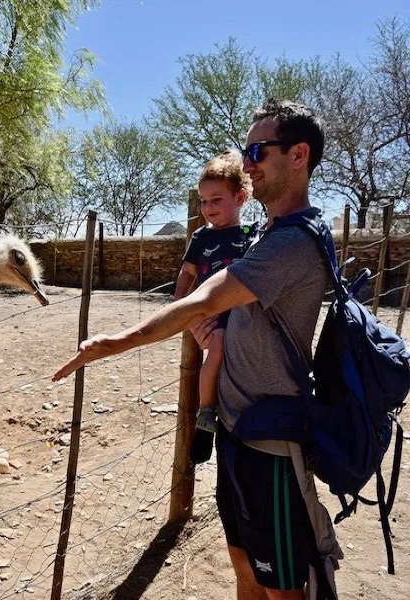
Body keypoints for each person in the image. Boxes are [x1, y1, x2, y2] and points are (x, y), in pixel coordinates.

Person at [53, 99, 342, 600]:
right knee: (245, 566)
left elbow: (201, 300)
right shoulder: (267, 232)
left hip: (270, 444)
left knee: (282, 586)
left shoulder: (290, 243)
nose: (248, 162)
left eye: (258, 150)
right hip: (238, 431)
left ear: (298, 155)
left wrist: (112, 342)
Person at [175, 150, 256, 463]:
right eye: (203, 201)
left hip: (245, 316)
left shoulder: (253, 235)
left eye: (216, 200)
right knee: (219, 345)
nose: (208, 208)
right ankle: (206, 414)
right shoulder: (200, 237)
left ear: (240, 197)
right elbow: (187, 273)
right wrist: (180, 307)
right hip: (215, 317)